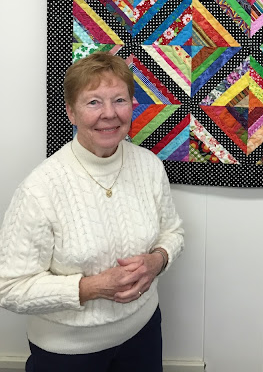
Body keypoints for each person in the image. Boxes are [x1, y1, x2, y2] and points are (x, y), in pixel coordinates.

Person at [0, 52, 184, 371]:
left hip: (143, 334)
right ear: (71, 112)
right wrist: (92, 288)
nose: (109, 114)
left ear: (132, 105)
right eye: (94, 102)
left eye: (119, 100)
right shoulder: (40, 188)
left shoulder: (149, 166)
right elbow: (10, 287)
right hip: (68, 353)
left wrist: (158, 260)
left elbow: (173, 232)